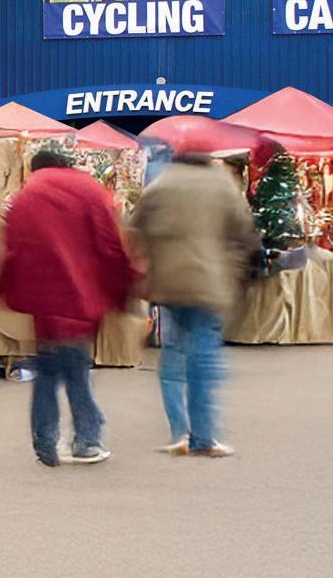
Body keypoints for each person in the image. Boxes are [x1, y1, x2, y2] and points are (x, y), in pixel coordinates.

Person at [0, 150, 134, 467]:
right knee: (77, 370)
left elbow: (13, 251)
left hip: (44, 304)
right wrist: (122, 289)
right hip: (83, 299)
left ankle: (45, 441)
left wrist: (9, 293)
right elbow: (110, 246)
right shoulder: (91, 192)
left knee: (47, 373)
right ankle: (87, 440)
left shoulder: (24, 198)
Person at [128, 153, 257, 458]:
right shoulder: (221, 186)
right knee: (203, 358)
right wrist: (235, 272)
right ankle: (204, 436)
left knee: (173, 355)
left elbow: (134, 232)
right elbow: (245, 235)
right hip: (208, 285)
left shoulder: (160, 185)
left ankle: (179, 432)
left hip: (168, 285)